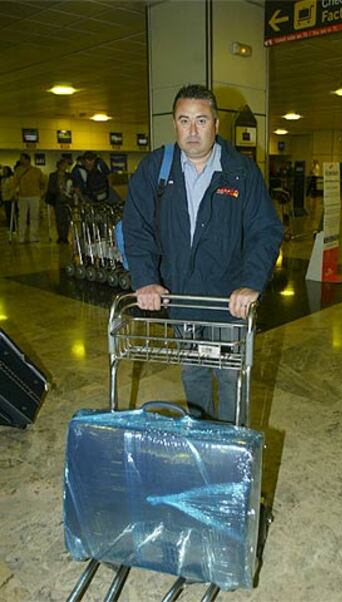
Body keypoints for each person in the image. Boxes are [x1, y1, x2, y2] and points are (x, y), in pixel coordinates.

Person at [123, 84, 284, 422]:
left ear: (216, 125)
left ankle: (228, 443)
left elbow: (265, 230)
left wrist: (252, 282)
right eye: (184, 121)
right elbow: (136, 228)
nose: (192, 131)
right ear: (174, 124)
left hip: (229, 301)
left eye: (201, 120)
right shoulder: (156, 170)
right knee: (194, 371)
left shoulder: (241, 172)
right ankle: (201, 436)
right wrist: (146, 280)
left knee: (229, 375)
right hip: (183, 297)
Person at [14, 153, 46, 243]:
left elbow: (43, 181)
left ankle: (33, 236)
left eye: (22, 159)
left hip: (34, 196)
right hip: (22, 196)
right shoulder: (18, 171)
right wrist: (14, 193)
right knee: (22, 217)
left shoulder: (37, 171)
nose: (21, 160)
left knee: (34, 217)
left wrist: (42, 192)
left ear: (27, 160)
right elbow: (14, 183)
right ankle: (21, 237)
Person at [45, 159, 72, 243]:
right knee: (59, 218)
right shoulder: (53, 176)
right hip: (57, 199)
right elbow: (50, 187)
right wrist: (58, 191)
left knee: (67, 218)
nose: (65, 167)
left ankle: (65, 236)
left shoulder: (69, 176)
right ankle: (61, 236)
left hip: (67, 199)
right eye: (63, 165)